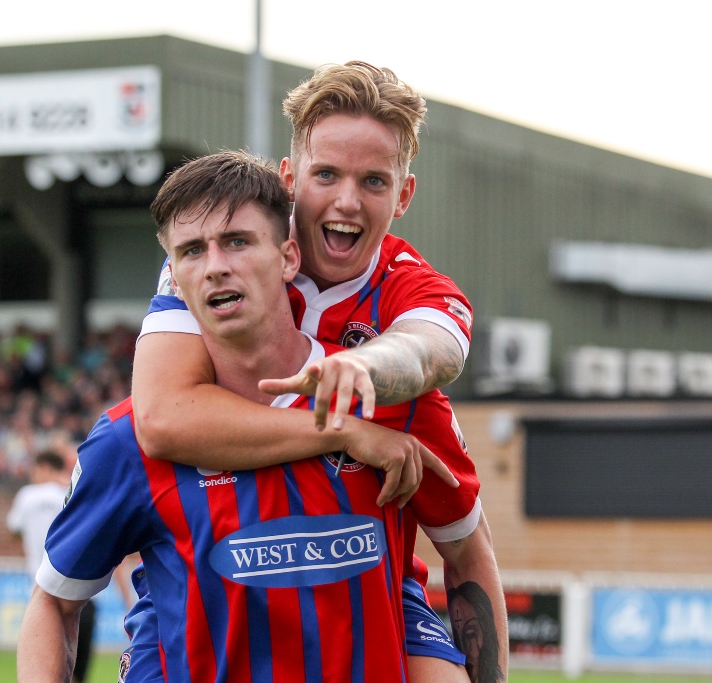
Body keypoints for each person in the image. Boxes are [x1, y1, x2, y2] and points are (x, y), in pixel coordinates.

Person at [17, 151, 481, 682]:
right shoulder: (130, 439)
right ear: (175, 277)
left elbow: (469, 552)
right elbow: (53, 603)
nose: (215, 265)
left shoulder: (389, 405)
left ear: (288, 258)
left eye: (237, 241)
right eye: (192, 251)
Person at [132, 62, 507, 681]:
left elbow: (431, 351)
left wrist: (362, 366)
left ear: (404, 195)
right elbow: (163, 418)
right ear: (289, 178)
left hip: (366, 583)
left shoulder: (412, 291)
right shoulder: (220, 257)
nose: (346, 201)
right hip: (209, 574)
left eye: (374, 181)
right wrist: (343, 430)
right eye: (326, 174)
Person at [8, 450, 95, 683]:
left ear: (44, 467)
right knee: (75, 673)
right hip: (79, 590)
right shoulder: (70, 493)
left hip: (42, 593)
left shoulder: (26, 496)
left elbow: (14, 530)